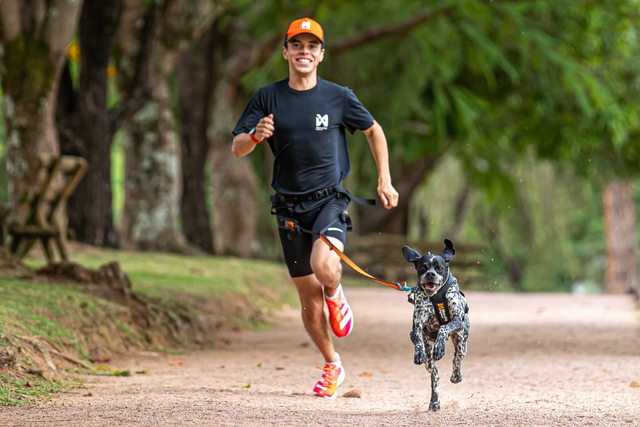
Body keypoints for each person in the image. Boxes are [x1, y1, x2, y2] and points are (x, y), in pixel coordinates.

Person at [231, 17, 399, 399]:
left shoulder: (338, 96)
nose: (304, 51)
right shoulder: (267, 98)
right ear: (286, 52)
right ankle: (332, 364)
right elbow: (237, 147)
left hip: (329, 200)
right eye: (297, 44)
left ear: (321, 55)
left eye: (312, 46)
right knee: (308, 303)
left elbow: (374, 130)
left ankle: (336, 293)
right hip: (288, 208)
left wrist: (384, 179)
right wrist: (255, 137)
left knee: (325, 269)